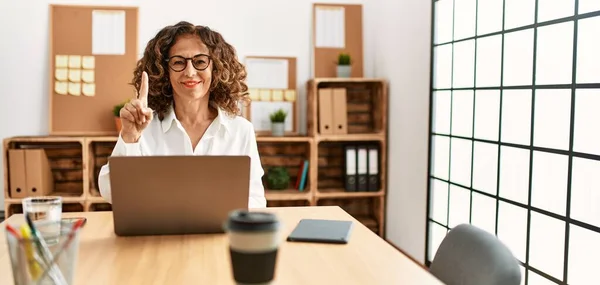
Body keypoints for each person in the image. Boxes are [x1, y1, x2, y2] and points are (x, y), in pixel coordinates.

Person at [98, 21, 267, 208]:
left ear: (216, 69)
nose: (190, 72)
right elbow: (111, 192)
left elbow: (256, 200)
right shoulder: (144, 128)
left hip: (219, 234)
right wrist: (130, 137)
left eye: (200, 61)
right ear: (164, 72)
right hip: (158, 234)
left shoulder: (240, 130)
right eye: (178, 62)